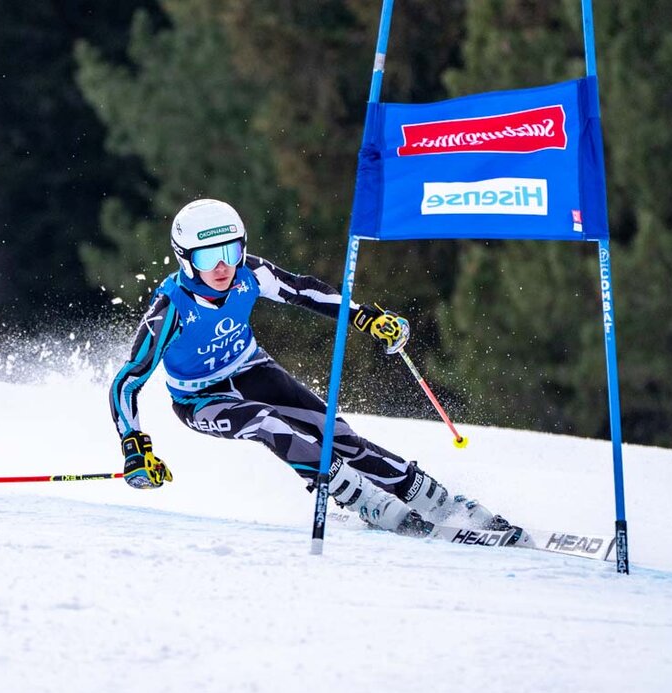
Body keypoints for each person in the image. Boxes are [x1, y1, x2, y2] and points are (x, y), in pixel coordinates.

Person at [108, 198, 511, 536]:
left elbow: (303, 291)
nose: (223, 267)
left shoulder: (250, 274)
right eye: (209, 257)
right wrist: (134, 445)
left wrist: (363, 317)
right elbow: (128, 381)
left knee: (338, 435)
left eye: (231, 252)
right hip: (200, 400)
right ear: (185, 258)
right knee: (268, 424)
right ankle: (361, 498)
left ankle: (433, 498)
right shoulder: (170, 309)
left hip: (253, 370)